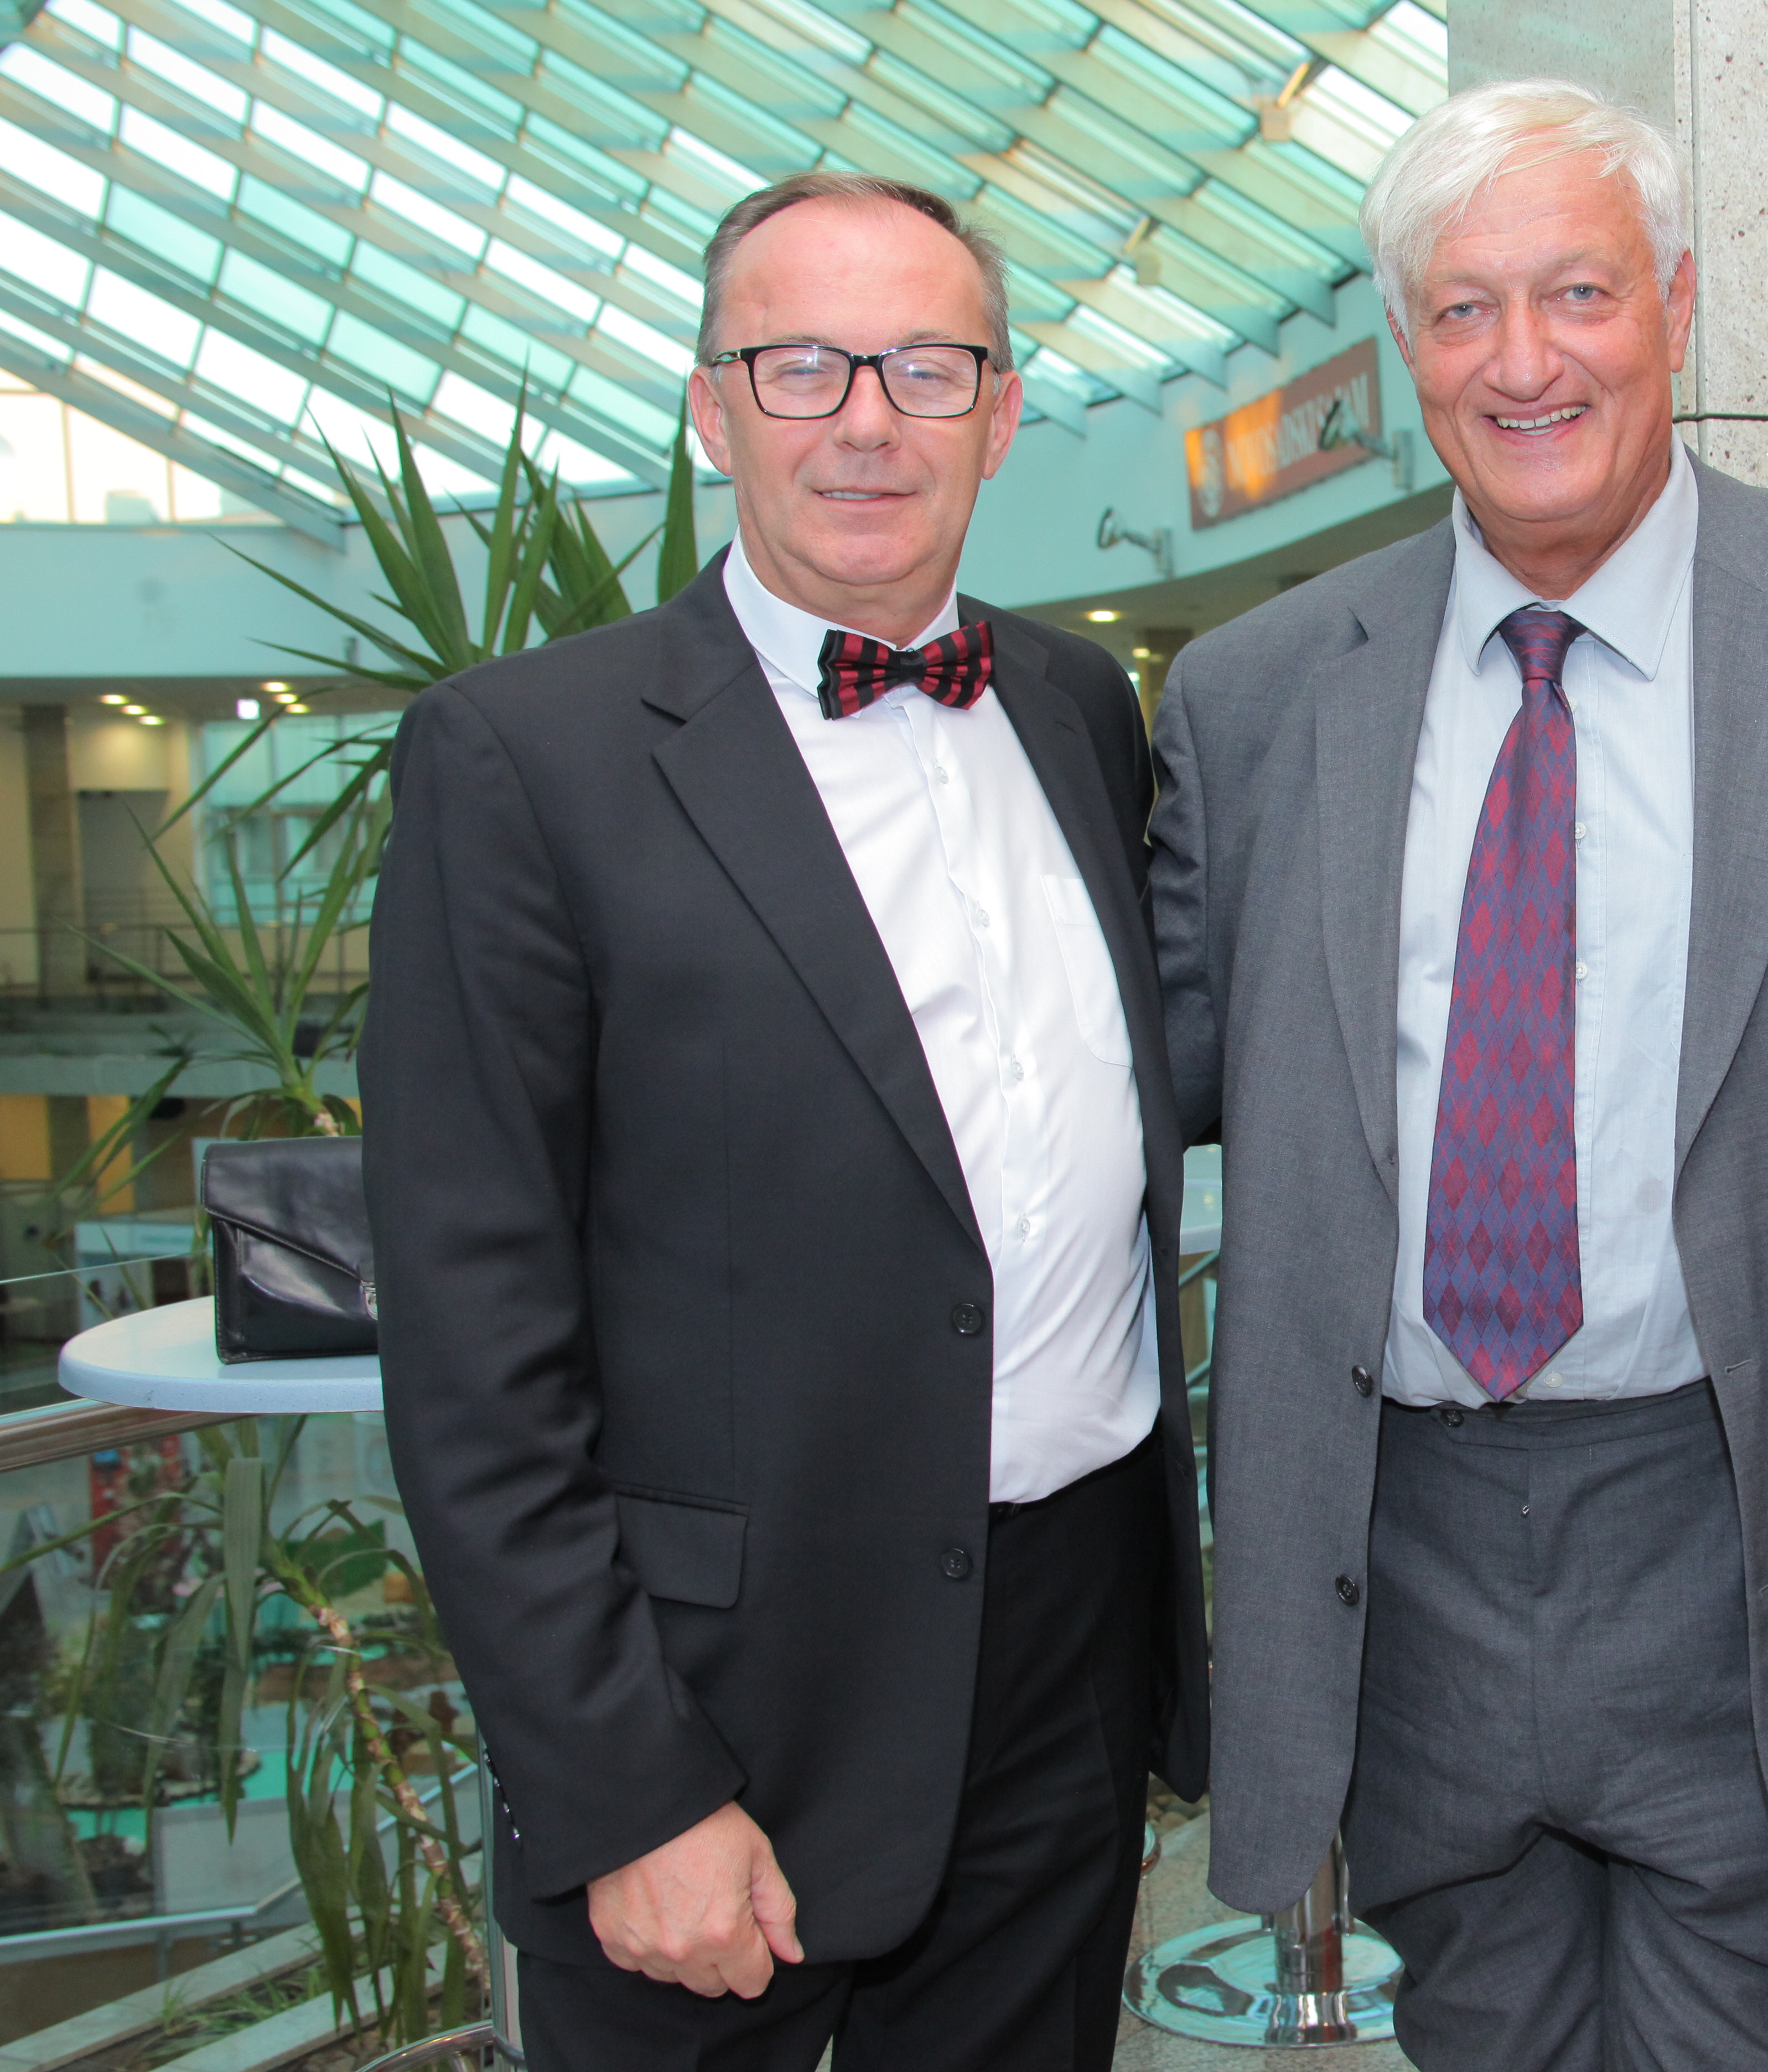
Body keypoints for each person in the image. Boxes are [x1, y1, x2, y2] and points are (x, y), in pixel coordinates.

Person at [1150, 76, 1768, 2072]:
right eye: (1464, 308)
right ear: (1404, 344)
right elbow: (1123, 1089)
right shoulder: (1255, 701)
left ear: (1675, 300)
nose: (1526, 361)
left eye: (1578, 292)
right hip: (1406, 1563)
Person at [364, 171, 1206, 2071]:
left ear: (1002, 413)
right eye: (802, 365)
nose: (866, 421)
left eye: (926, 367)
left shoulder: (1078, 705)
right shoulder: (526, 756)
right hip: (716, 1704)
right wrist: (624, 1787)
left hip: (1066, 1660)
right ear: (711, 406)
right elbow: (474, 1344)